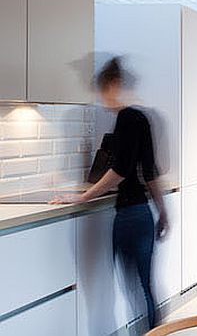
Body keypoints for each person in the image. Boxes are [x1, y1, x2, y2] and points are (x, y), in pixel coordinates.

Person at [53, 57, 168, 328]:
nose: (103, 100)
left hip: (128, 216)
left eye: (103, 91)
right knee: (144, 287)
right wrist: (162, 211)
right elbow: (149, 172)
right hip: (143, 214)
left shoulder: (127, 117)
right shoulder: (143, 118)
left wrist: (82, 197)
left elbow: (121, 170)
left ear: (114, 84)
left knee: (132, 289)